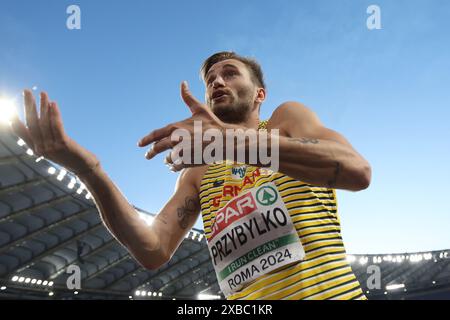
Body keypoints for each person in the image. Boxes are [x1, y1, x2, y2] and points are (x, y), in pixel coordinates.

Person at [11, 51, 371, 300]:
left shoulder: (285, 121)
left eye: (230, 73)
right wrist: (89, 171)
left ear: (260, 93)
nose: (217, 82)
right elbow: (153, 249)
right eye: (211, 79)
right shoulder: (201, 171)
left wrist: (232, 142)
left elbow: (356, 170)